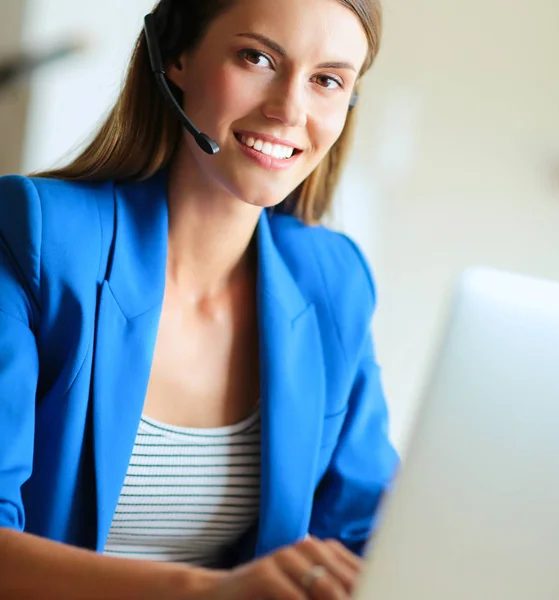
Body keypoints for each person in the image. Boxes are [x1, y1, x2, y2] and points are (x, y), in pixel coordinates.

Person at [0, 0, 398, 597]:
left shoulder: (333, 280)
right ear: (178, 55)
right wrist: (208, 593)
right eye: (257, 57)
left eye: (327, 81)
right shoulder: (40, 237)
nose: (289, 109)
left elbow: (362, 530)